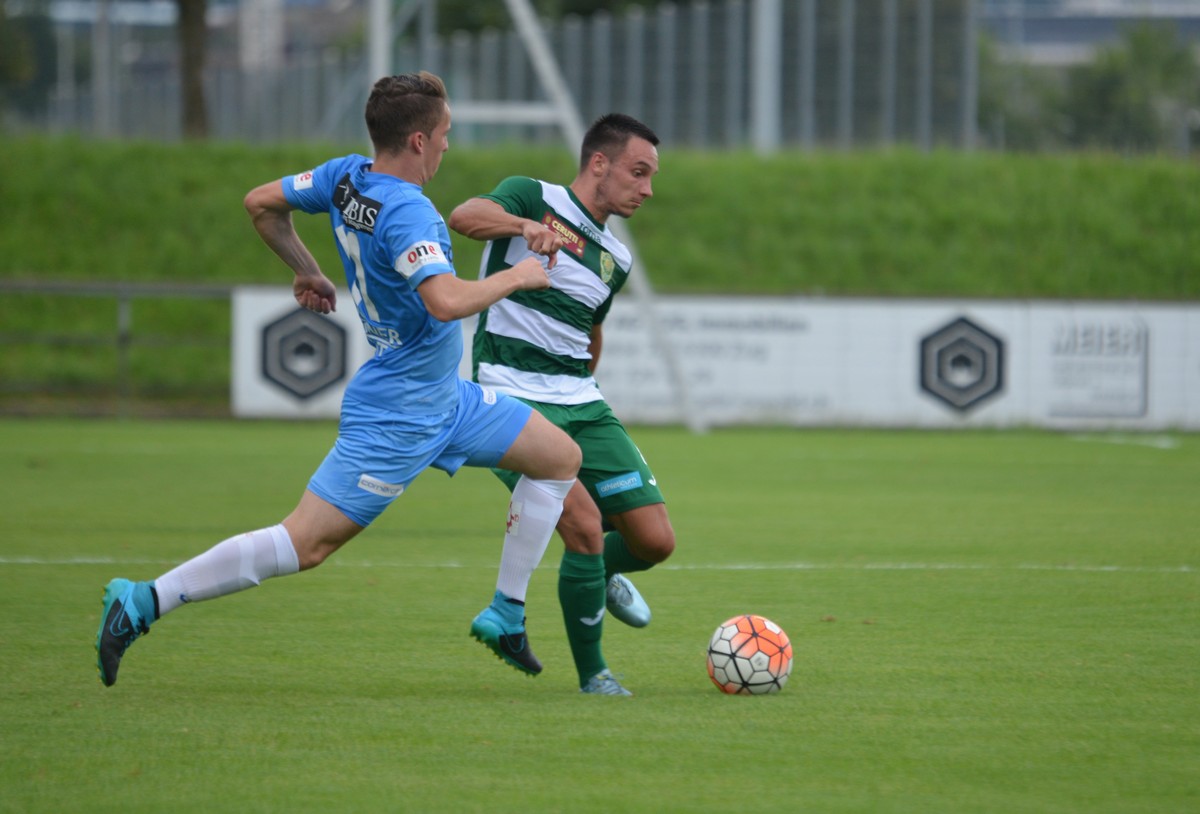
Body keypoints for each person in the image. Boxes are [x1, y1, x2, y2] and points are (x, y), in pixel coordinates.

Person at [95, 72, 582, 687]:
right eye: (444, 134)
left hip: (447, 399)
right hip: (400, 413)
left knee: (559, 459)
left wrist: (307, 270)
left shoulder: (345, 176)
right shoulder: (409, 212)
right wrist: (518, 277)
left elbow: (260, 203)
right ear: (418, 141)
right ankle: (145, 599)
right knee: (305, 545)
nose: (447, 144)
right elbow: (445, 302)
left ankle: (506, 612)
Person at [447, 113, 677, 697]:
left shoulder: (617, 258)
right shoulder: (532, 196)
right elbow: (464, 217)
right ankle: (594, 675)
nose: (648, 188)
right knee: (584, 526)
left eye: (651, 176)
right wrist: (524, 226)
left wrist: (582, 390)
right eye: (638, 172)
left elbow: (590, 329)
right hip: (509, 395)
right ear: (599, 162)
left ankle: (598, 573)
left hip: (580, 400)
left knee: (654, 541)